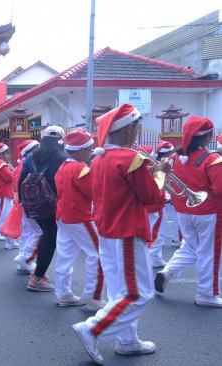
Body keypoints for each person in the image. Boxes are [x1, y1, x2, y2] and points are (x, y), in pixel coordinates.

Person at [72, 104, 168, 364]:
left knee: (119, 292)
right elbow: (152, 198)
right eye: (136, 126)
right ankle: (93, 329)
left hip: (107, 230)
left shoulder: (100, 158)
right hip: (126, 231)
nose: (138, 131)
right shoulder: (131, 159)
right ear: (128, 129)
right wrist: (161, 175)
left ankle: (127, 341)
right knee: (139, 294)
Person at [155, 116, 222, 307]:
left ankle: (167, 272)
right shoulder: (212, 159)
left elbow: (160, 180)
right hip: (209, 213)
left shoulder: (173, 158)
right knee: (210, 252)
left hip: (183, 212)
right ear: (207, 136)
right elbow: (220, 189)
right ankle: (207, 294)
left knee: (190, 247)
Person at [53, 129, 105, 309]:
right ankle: (93, 295)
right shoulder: (80, 169)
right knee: (99, 253)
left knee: (65, 256)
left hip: (63, 216)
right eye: (90, 149)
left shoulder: (63, 167)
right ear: (82, 150)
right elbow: (93, 192)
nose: (91, 152)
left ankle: (63, 293)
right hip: (79, 216)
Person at [19, 126, 67, 291]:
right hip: (53, 204)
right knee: (50, 240)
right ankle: (37, 278)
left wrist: (23, 201)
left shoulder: (31, 157)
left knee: (45, 236)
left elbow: (22, 180)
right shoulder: (63, 158)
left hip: (33, 203)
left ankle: (37, 270)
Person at [12, 140, 41, 273]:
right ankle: (25, 259)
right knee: (38, 232)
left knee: (27, 232)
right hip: (28, 201)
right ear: (30, 151)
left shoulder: (23, 164)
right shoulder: (27, 163)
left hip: (23, 201)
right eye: (37, 147)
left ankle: (23, 262)